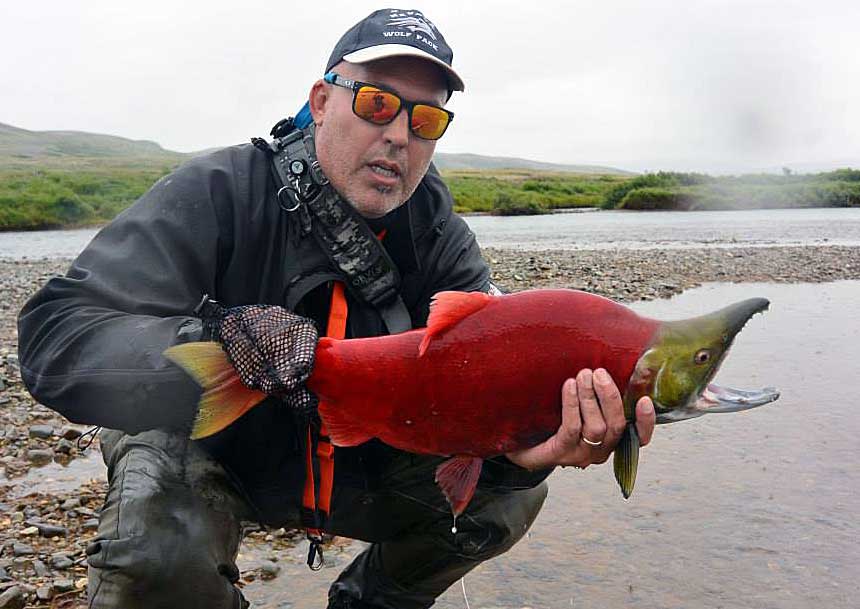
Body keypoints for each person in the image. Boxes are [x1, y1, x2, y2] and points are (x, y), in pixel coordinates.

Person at [17, 8, 655, 609]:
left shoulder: (438, 237)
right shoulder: (220, 192)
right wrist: (214, 338)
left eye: (426, 120)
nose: (399, 135)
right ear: (322, 102)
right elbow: (56, 335)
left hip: (360, 456)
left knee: (504, 502)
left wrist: (517, 455)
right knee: (155, 554)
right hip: (218, 450)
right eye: (378, 103)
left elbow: (479, 396)